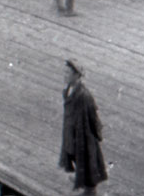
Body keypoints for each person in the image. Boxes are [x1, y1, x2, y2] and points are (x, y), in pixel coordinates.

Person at [59, 60, 107, 196]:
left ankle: (90, 190)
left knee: (87, 161)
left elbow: (93, 117)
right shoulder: (68, 90)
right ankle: (81, 177)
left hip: (83, 136)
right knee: (75, 156)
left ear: (76, 75)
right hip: (71, 132)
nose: (65, 75)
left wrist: (97, 134)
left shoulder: (84, 96)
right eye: (65, 72)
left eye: (68, 73)